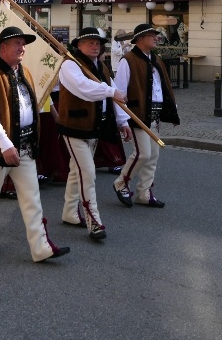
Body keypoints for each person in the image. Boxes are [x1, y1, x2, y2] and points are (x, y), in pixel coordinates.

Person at [0, 26, 70, 261]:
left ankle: (40, 246)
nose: (22, 48)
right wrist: (5, 145)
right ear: (2, 48)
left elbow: (30, 105)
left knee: (32, 197)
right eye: (17, 43)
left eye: (23, 44)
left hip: (24, 146)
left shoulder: (23, 71)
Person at [57, 27, 131, 240]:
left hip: (95, 128)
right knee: (87, 173)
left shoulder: (102, 67)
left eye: (98, 43)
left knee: (76, 171)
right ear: (79, 45)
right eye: (90, 42)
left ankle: (70, 212)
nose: (95, 45)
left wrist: (122, 120)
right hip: (75, 128)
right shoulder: (70, 65)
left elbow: (114, 94)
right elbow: (84, 88)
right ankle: (94, 221)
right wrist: (109, 91)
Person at [113, 23, 180, 208]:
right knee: (142, 154)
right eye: (152, 35)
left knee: (153, 156)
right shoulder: (128, 60)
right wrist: (122, 120)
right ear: (140, 39)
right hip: (137, 115)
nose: (156, 37)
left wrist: (172, 110)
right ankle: (121, 182)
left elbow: (163, 86)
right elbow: (118, 92)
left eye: (155, 35)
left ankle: (144, 193)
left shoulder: (156, 60)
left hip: (154, 115)